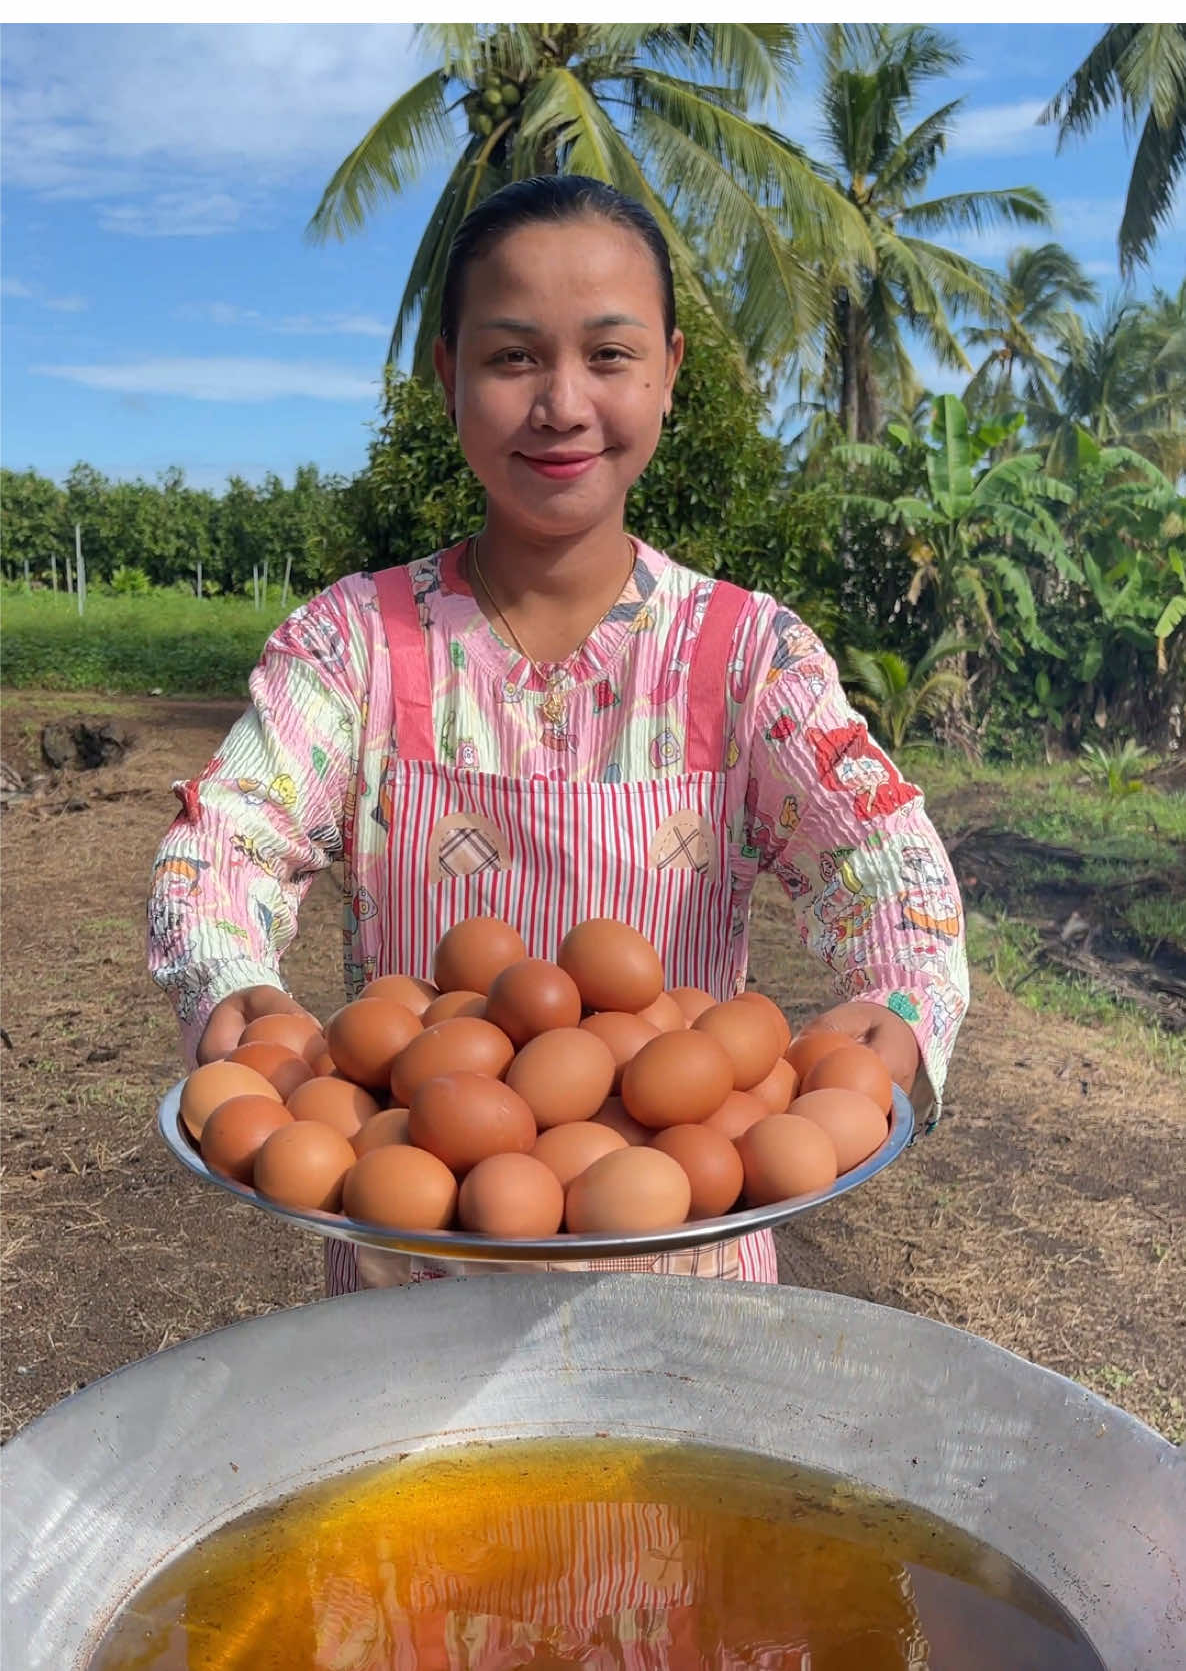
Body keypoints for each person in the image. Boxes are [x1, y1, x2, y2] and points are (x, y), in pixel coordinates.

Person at [148, 174, 969, 1295]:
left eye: (611, 355)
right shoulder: (354, 646)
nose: (563, 403)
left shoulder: (746, 658)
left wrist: (899, 1001)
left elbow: (888, 867)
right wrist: (227, 972)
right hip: (413, 1282)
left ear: (670, 372)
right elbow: (226, 834)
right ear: (449, 377)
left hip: (683, 1275)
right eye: (513, 357)